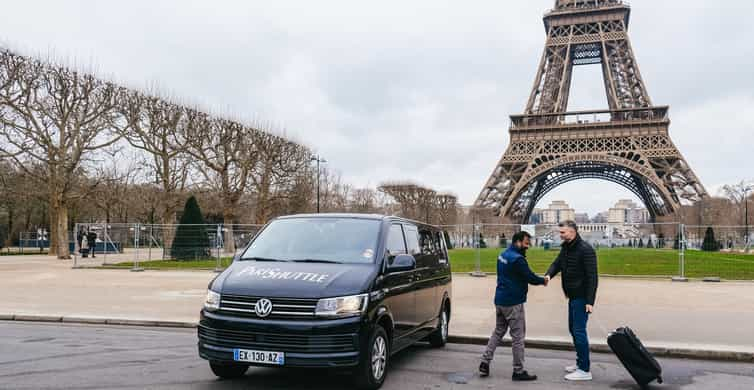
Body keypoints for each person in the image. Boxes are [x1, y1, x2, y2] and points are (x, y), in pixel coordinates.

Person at [479, 231, 547, 381]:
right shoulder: (518, 260)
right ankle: (518, 370)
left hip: (500, 300)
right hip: (513, 303)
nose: (528, 246)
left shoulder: (502, 255)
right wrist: (543, 281)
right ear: (517, 242)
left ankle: (485, 362)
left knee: (498, 332)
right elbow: (530, 277)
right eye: (526, 243)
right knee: (518, 337)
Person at [545, 220, 598, 381]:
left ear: (572, 232)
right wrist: (548, 275)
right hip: (573, 296)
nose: (560, 235)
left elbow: (592, 277)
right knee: (573, 329)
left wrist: (590, 301)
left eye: (563, 232)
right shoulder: (567, 248)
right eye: (560, 232)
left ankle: (584, 370)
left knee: (579, 331)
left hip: (581, 297)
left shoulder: (585, 250)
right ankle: (580, 362)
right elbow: (558, 263)